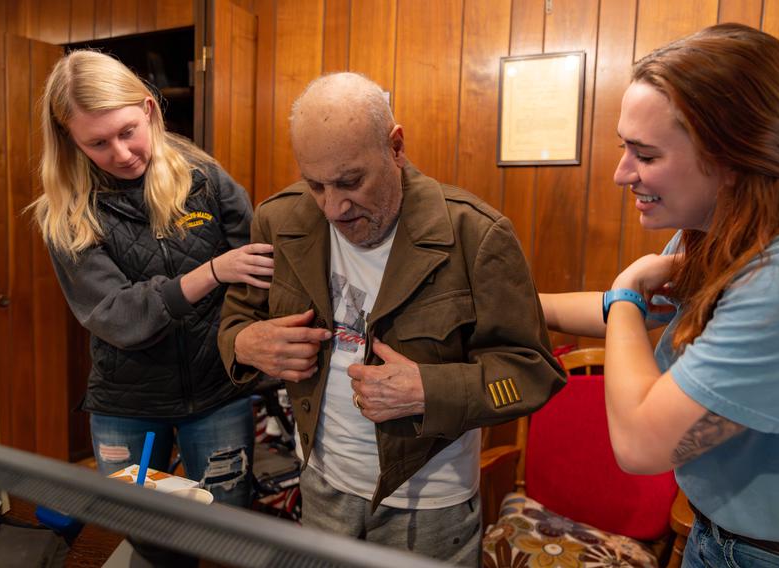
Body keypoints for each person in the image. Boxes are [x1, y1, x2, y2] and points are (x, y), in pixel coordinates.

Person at [218, 72, 565, 566]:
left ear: (395, 147)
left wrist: (429, 389)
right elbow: (236, 323)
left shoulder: (475, 235)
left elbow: (532, 373)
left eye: (351, 182)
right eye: (315, 184)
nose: (334, 206)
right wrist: (246, 343)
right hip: (319, 483)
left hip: (428, 505)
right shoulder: (280, 219)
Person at [539, 24, 779, 567]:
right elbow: (639, 307)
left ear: (733, 159)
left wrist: (626, 293)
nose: (622, 173)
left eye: (645, 155)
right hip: (715, 534)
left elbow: (642, 445)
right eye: (625, 147)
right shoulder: (726, 220)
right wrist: (519, 307)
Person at [32, 50, 274, 508]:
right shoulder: (67, 215)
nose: (121, 154)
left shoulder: (204, 177)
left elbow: (260, 265)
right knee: (145, 530)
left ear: (147, 108)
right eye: (97, 143)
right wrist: (212, 271)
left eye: (127, 132)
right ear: (70, 140)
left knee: (226, 527)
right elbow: (121, 317)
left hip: (219, 393)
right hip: (127, 407)